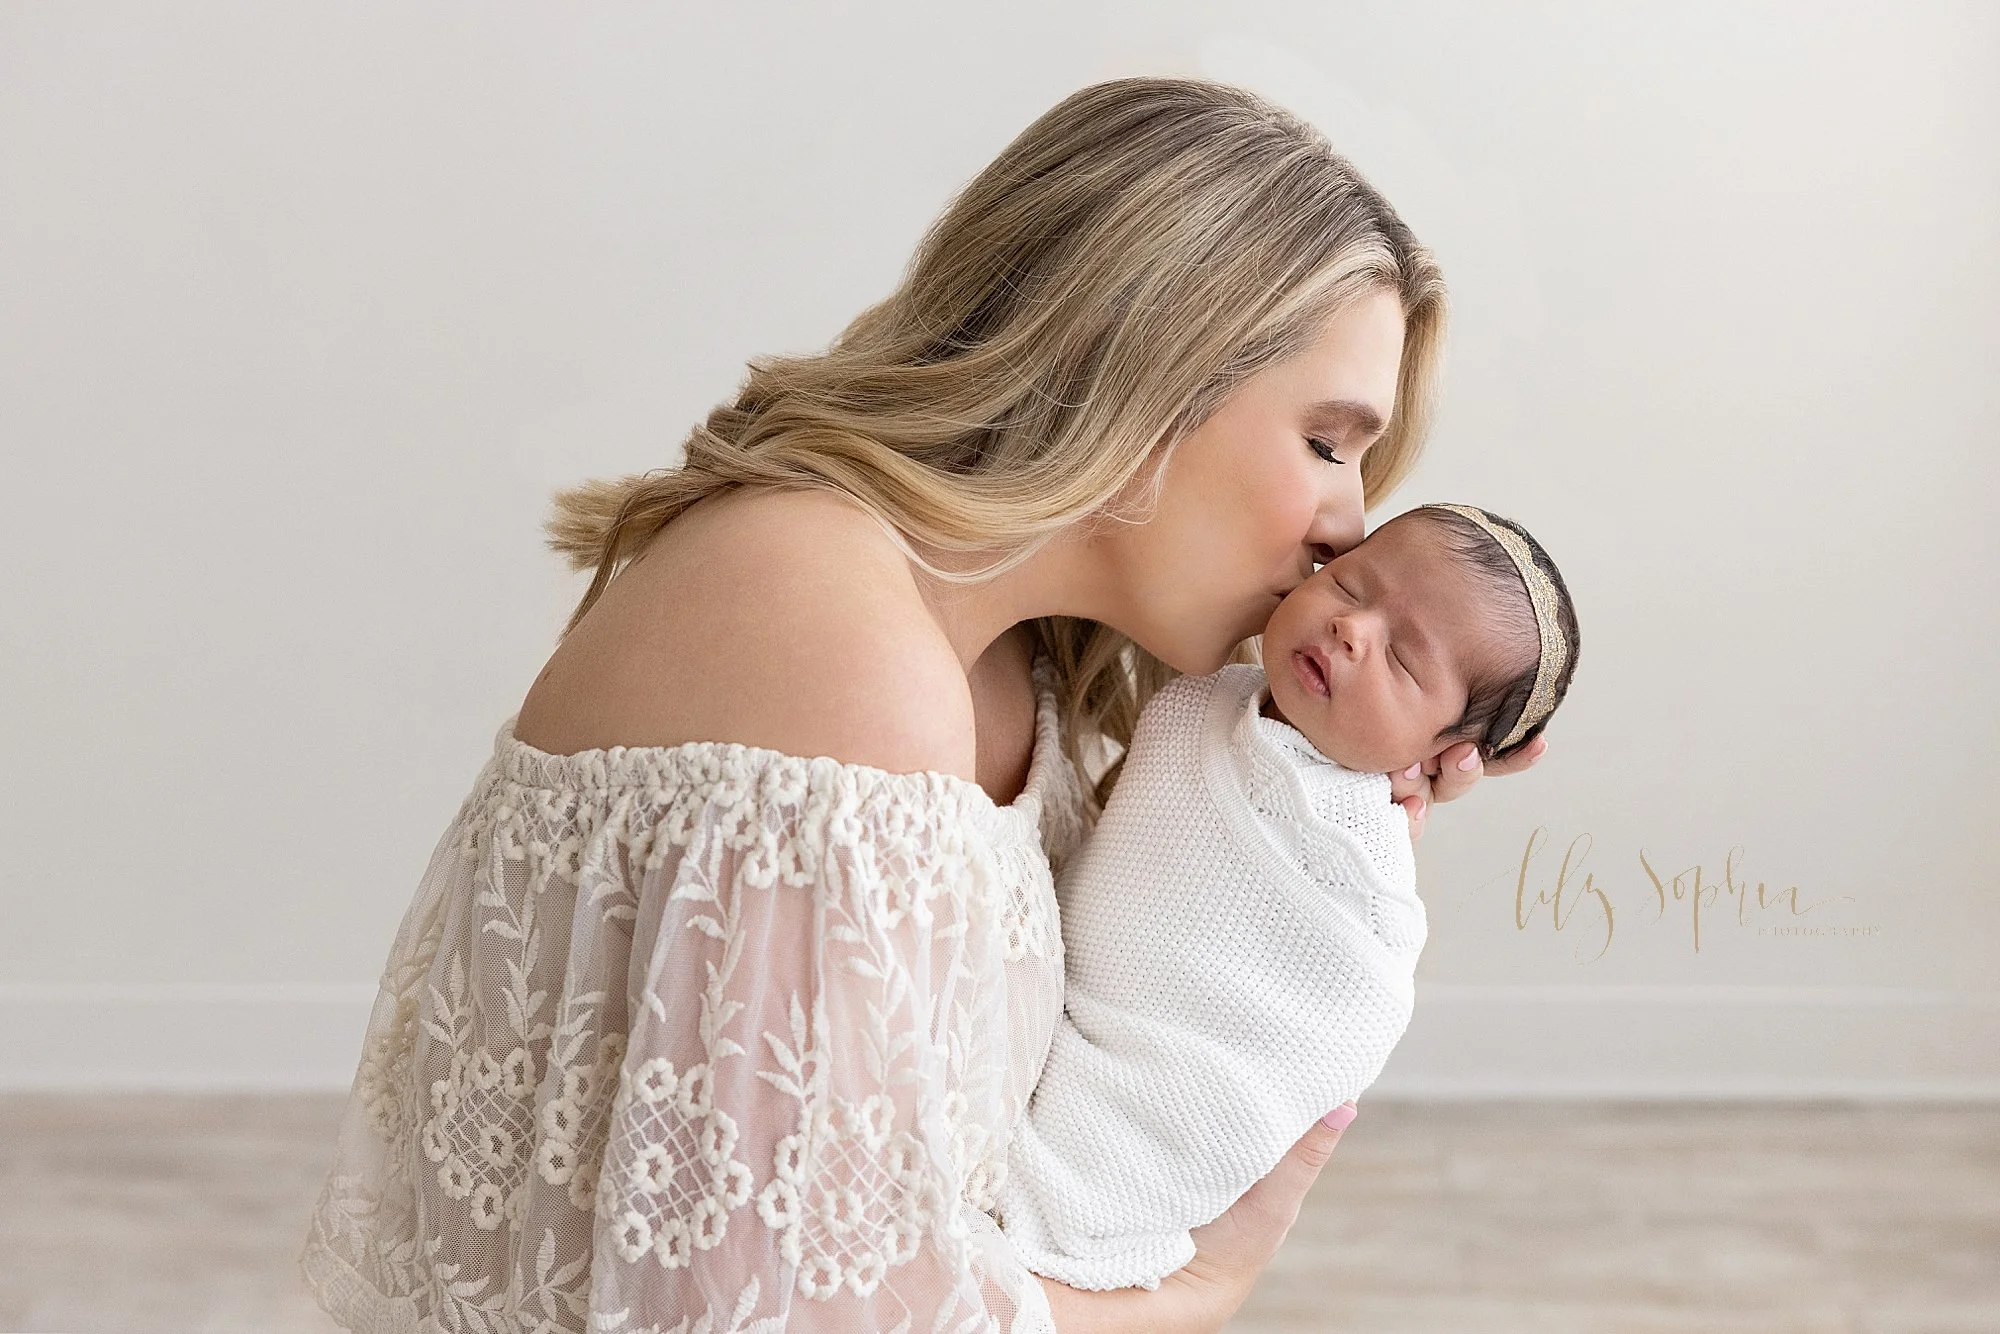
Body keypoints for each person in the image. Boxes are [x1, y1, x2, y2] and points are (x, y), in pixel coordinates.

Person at [298, 75, 1548, 1334]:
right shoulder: (838, 646)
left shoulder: (1000, 656)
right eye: (1329, 444)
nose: (1346, 524)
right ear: (1148, 351)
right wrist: (1196, 1291)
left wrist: (1307, 841)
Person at [995, 503, 1580, 1292]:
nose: (1350, 631)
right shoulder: (1205, 695)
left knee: (1071, 1180)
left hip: (1172, 1079)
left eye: (1403, 660)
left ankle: (1075, 1200)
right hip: (1074, 1004)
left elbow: (1357, 994)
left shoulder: (1359, 847)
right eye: (1349, 585)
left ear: (1445, 753)